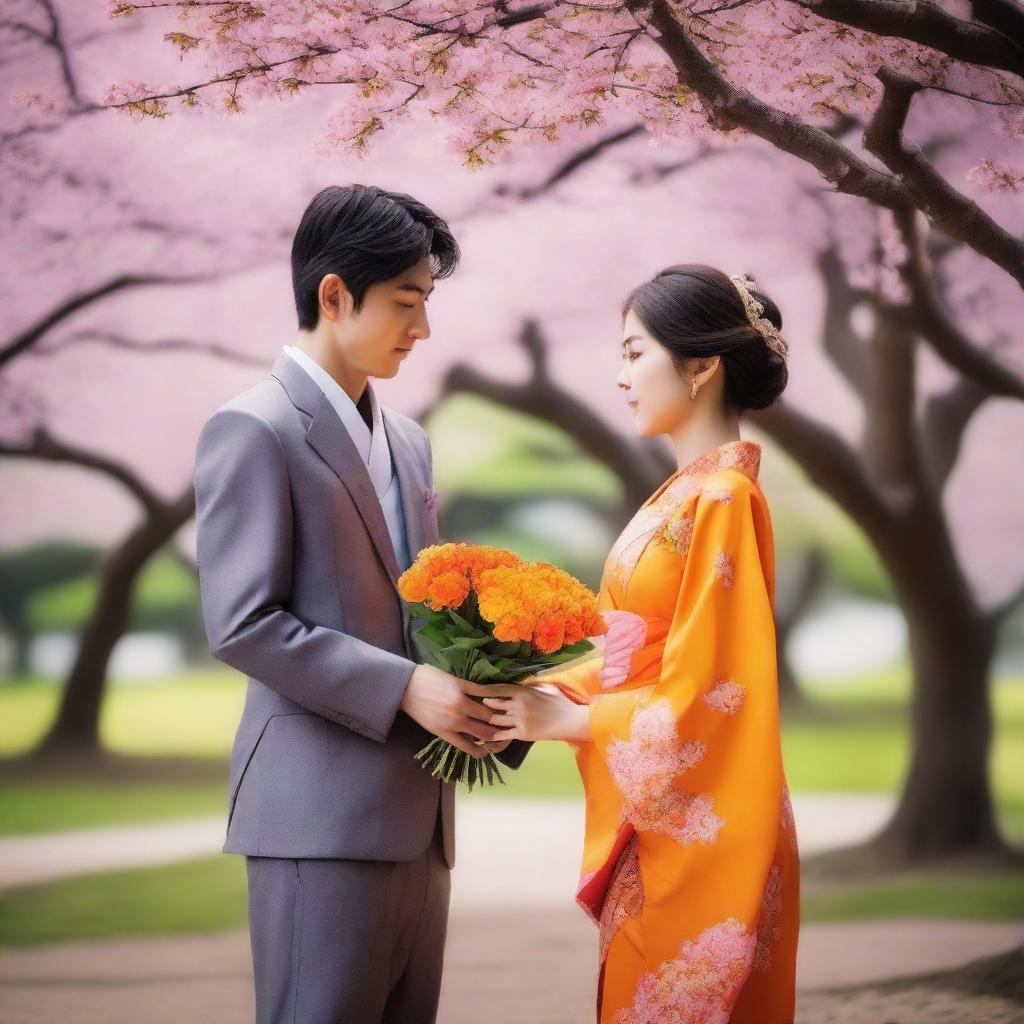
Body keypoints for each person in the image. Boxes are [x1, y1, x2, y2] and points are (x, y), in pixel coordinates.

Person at [192, 183, 529, 1024]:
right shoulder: (253, 428)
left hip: (420, 815)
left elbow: (419, 604)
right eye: (406, 302)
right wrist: (407, 688)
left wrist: (495, 676)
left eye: (427, 303)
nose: (422, 329)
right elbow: (242, 622)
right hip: (317, 814)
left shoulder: (408, 440)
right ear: (334, 294)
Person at [483, 264, 800, 1023]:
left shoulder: (721, 498)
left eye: (634, 353)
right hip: (661, 818)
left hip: (703, 830)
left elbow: (717, 687)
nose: (620, 376)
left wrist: (570, 719)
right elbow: (639, 652)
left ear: (700, 366)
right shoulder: (685, 493)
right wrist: (544, 689)